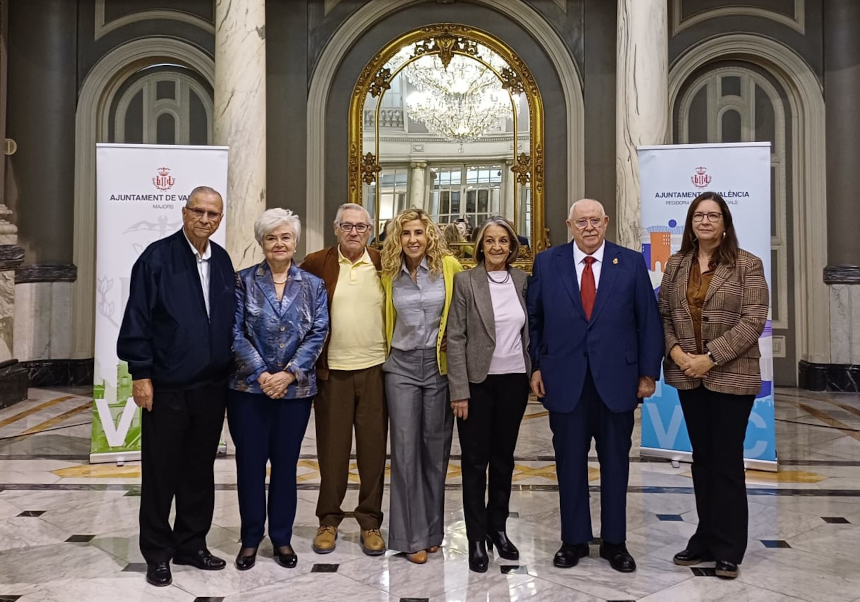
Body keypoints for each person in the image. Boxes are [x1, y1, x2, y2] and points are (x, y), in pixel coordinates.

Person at [527, 199, 663, 573]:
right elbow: (534, 319)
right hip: (564, 380)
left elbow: (648, 321)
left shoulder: (630, 262)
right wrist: (536, 366)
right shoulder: (547, 262)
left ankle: (615, 543)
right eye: (581, 221)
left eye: (595, 221)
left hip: (617, 381)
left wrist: (648, 372)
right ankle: (573, 540)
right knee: (569, 464)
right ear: (569, 225)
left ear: (606, 223)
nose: (589, 227)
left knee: (616, 465)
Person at [117, 186, 236, 587]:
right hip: (165, 386)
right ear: (184, 212)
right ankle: (157, 552)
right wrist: (141, 374)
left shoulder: (221, 260)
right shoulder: (156, 257)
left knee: (199, 472)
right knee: (161, 473)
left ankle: (191, 544)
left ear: (220, 219)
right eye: (199, 211)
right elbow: (138, 317)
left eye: (213, 214)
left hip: (210, 386)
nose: (205, 219)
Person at [658, 192, 768, 580]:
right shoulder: (676, 264)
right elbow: (664, 313)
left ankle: (728, 548)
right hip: (688, 374)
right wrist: (677, 354)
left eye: (713, 215)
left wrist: (711, 357)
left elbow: (754, 320)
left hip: (731, 375)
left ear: (725, 223)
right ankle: (704, 537)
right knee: (702, 459)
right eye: (699, 215)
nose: (705, 221)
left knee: (726, 462)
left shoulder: (747, 265)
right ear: (690, 222)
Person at [228, 208, 328, 571]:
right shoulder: (242, 282)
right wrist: (261, 374)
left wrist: (288, 374)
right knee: (250, 466)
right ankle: (251, 538)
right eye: (271, 237)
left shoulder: (313, 285)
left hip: (295, 392)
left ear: (295, 242)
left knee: (286, 466)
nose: (279, 243)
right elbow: (234, 332)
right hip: (247, 391)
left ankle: (282, 537)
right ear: (261, 243)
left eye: (285, 237)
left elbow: (318, 332)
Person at [300, 203, 387, 557]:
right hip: (332, 371)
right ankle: (328, 520)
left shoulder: (383, 262)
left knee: (373, 451)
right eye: (347, 226)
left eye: (361, 227)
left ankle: (370, 521)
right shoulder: (316, 262)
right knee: (332, 451)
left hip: (376, 370)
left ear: (370, 231)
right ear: (335, 229)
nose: (354, 232)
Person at [446, 216, 530, 573]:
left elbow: (533, 328)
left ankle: (498, 528)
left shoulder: (524, 280)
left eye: (503, 241)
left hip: (514, 381)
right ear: (480, 245)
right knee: (474, 462)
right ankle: (476, 538)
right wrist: (460, 390)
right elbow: (456, 337)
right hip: (477, 385)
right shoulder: (466, 281)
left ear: (512, 246)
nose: (497, 247)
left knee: (504, 459)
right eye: (490, 241)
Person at [381, 208, 463, 564]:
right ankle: (409, 537)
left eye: (418, 232)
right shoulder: (387, 275)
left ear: (430, 235)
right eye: (405, 233)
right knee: (403, 451)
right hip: (400, 366)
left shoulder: (450, 268)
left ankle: (432, 532)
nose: (413, 239)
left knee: (435, 451)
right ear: (397, 239)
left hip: (438, 367)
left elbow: (464, 313)